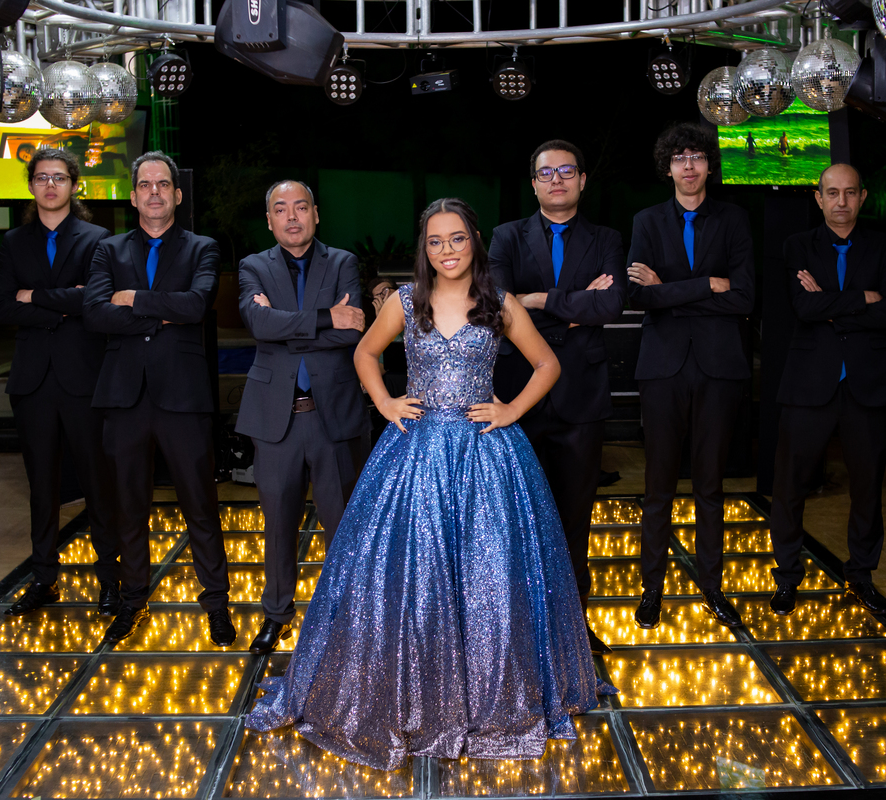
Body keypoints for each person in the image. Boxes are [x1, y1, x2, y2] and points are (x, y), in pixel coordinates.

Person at [244, 198, 611, 770]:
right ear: (425, 248)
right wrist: (386, 402)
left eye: (457, 238)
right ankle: (414, 694)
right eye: (436, 241)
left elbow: (548, 364)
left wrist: (511, 410)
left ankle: (490, 692)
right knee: (410, 573)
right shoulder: (405, 300)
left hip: (486, 455)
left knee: (491, 575)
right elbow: (366, 352)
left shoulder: (499, 301)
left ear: (475, 241)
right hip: (415, 454)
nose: (447, 250)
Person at [83, 151, 235, 646]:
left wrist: (132, 299)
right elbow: (95, 313)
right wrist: (162, 311)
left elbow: (196, 306)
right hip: (123, 397)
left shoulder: (202, 248)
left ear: (177, 194)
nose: (154, 192)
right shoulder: (108, 250)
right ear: (133, 196)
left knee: (201, 506)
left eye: (163, 184)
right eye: (145, 185)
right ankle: (132, 602)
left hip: (183, 396)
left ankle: (216, 604)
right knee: (128, 507)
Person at [488, 139, 625, 654]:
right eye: (547, 173)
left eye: (567, 171)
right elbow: (496, 307)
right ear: (534, 184)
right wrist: (574, 307)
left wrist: (539, 299)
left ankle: (572, 630)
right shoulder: (506, 236)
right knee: (515, 521)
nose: (557, 180)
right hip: (516, 398)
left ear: (583, 180)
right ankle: (518, 631)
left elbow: (611, 304)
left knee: (574, 521)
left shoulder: (607, 238)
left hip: (580, 400)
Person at [626, 122, 755, 630]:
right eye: (679, 157)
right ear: (667, 167)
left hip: (720, 367)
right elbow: (639, 296)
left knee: (710, 485)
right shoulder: (646, 221)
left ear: (708, 165)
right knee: (658, 485)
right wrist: (707, 286)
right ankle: (651, 589)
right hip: (662, 368)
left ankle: (712, 589)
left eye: (696, 156)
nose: (688, 165)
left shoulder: (735, 220)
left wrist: (670, 289)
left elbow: (744, 297)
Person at [234, 180, 369, 655]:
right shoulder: (253, 266)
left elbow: (353, 332)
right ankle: (276, 616)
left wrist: (283, 325)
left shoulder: (343, 262)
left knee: (343, 526)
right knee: (277, 525)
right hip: (276, 419)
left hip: (334, 416)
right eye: (281, 209)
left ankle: (347, 619)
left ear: (316, 213)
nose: (292, 217)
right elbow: (258, 325)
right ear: (269, 220)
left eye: (300, 207)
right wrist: (325, 317)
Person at [768, 164, 886, 616]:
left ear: (862, 197)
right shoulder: (798, 246)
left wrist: (830, 302)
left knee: (867, 488)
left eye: (849, 193)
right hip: (809, 382)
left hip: (868, 384)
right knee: (789, 486)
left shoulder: (884, 247)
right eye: (832, 193)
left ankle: (861, 576)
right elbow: (804, 307)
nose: (841, 201)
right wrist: (864, 298)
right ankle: (787, 577)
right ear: (819, 198)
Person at [0, 148, 118, 617]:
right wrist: (61, 305)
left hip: (83, 378)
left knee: (98, 484)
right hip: (32, 383)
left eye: (59, 178)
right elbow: (1, 306)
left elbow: (94, 302)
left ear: (73, 185)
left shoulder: (97, 239)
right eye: (42, 178)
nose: (50, 185)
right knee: (41, 487)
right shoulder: (14, 241)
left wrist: (35, 297)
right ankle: (44, 579)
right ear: (30, 186)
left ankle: (111, 581)